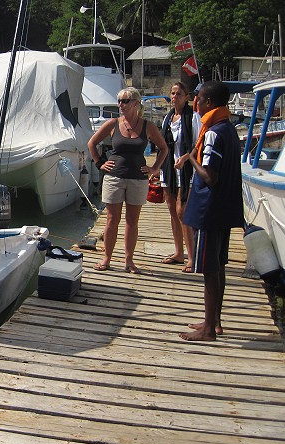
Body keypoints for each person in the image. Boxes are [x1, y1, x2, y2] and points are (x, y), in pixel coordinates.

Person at [176, 81, 245, 341]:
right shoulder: (229, 128)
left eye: (199, 99)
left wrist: (190, 157)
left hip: (210, 209)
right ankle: (214, 321)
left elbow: (210, 176)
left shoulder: (213, 133)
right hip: (226, 207)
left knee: (209, 269)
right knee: (219, 265)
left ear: (209, 103)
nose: (196, 103)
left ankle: (208, 329)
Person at [87, 87, 168, 273]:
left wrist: (155, 168)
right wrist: (100, 163)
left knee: (132, 221)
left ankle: (129, 261)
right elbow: (92, 143)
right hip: (114, 177)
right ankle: (106, 258)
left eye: (125, 101)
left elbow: (164, 148)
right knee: (111, 219)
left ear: (136, 103)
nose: (121, 104)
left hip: (138, 179)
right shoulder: (113, 123)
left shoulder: (148, 126)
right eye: (119, 101)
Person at [158, 82, 201, 272]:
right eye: (173, 93)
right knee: (172, 211)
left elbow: (199, 143)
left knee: (182, 211)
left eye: (179, 94)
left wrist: (186, 157)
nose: (175, 97)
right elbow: (163, 146)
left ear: (186, 97)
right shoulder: (167, 118)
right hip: (168, 168)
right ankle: (178, 252)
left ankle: (191, 257)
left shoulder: (193, 117)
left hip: (186, 169)